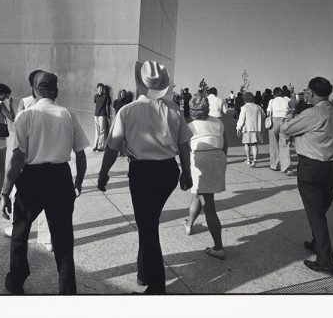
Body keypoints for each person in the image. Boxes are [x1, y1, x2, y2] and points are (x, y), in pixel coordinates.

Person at [97, 60, 193, 295]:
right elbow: (183, 145)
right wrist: (187, 172)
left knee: (148, 227)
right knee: (148, 223)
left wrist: (103, 173)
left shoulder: (127, 111)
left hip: (143, 173)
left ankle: (157, 287)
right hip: (169, 171)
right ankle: (143, 273)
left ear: (140, 83)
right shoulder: (173, 109)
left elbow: (112, 147)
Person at [1, 71, 89, 295]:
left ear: (33, 91)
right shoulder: (69, 114)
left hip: (32, 179)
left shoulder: (25, 116)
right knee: (63, 237)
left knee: (20, 231)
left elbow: (18, 158)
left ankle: (17, 279)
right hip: (60, 178)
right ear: (56, 91)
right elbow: (80, 154)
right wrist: (78, 182)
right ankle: (67, 289)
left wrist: (5, 192)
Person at [281, 77, 333, 276]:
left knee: (316, 214)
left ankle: (326, 260)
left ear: (312, 93)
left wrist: (292, 109)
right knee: (321, 208)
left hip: (312, 167)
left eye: (307, 91)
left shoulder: (311, 114)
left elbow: (285, 129)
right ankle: (316, 242)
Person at [4, 69, 53, 252]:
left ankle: (16, 227)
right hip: (46, 153)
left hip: (26, 156)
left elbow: (17, 124)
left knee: (20, 197)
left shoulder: (25, 102)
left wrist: (10, 108)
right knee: (47, 201)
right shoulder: (51, 102)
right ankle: (47, 238)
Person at [183, 95, 227, 260]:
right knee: (198, 194)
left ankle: (218, 247)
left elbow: (185, 149)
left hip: (201, 162)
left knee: (208, 205)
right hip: (217, 159)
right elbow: (225, 144)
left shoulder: (191, 126)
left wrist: (186, 170)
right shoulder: (218, 122)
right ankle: (189, 224)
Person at [236, 92, 265, 167]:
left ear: (244, 99)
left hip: (247, 128)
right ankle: (255, 160)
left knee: (247, 144)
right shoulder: (258, 107)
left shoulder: (244, 107)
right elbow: (263, 115)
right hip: (256, 128)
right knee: (254, 144)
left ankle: (248, 159)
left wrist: (238, 127)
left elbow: (241, 118)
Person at [266, 87, 292, 174]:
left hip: (274, 121)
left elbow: (268, 113)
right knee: (285, 144)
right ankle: (287, 167)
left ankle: (275, 165)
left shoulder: (272, 101)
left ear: (274, 94)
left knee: (274, 144)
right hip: (285, 121)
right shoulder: (287, 100)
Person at [113, 89, 132, 156]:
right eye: (121, 93)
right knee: (117, 137)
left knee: (124, 137)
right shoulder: (116, 102)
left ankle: (123, 151)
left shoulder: (127, 102)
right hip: (117, 121)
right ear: (119, 94)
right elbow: (114, 111)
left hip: (124, 121)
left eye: (124, 93)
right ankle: (118, 151)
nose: (122, 94)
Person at [93, 83, 111, 152]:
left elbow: (107, 106)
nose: (101, 90)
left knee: (102, 131)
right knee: (97, 130)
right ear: (97, 89)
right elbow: (96, 105)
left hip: (102, 115)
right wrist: (95, 113)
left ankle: (100, 147)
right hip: (96, 115)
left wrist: (108, 115)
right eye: (99, 88)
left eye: (102, 88)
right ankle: (95, 146)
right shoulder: (95, 96)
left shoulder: (106, 96)